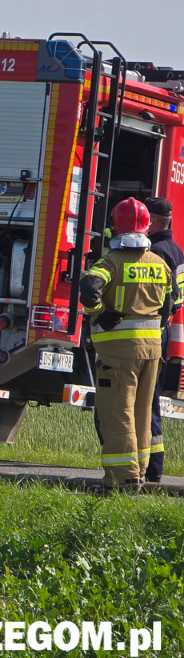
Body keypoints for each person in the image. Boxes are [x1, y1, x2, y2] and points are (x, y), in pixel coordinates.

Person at [79, 197, 172, 491]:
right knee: (142, 413)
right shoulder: (159, 263)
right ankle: (139, 473)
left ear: (115, 227)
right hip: (152, 351)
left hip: (118, 355)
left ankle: (122, 480)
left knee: (117, 412)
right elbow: (170, 304)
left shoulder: (112, 261)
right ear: (147, 227)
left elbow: (89, 287)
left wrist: (99, 314)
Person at [144, 197, 184, 482]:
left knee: (147, 400)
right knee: (151, 398)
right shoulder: (176, 249)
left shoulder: (157, 252)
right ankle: (153, 465)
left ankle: (153, 467)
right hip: (164, 328)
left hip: (154, 329)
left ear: (155, 221)